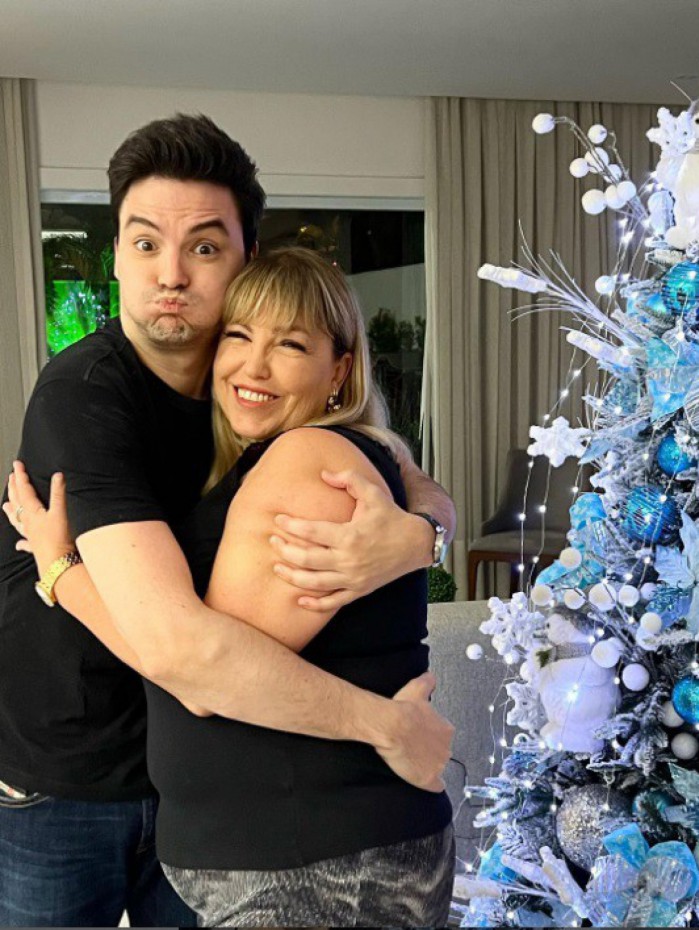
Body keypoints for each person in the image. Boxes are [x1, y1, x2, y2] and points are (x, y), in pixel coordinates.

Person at [0, 114, 456, 927]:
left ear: (244, 258)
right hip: (68, 777)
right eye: (145, 243)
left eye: (204, 247)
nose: (170, 274)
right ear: (116, 256)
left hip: (219, 799)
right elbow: (189, 656)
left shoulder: (254, 411)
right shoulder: (88, 398)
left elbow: (394, 463)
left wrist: (425, 533)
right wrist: (383, 724)